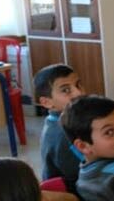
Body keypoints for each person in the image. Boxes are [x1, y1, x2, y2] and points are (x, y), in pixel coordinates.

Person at [34, 63, 85, 193]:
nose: (78, 93)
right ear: (47, 102)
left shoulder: (62, 120)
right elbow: (84, 174)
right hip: (71, 196)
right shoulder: (62, 134)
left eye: (78, 85)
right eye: (66, 90)